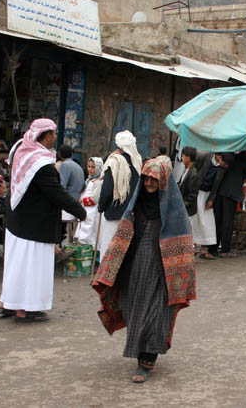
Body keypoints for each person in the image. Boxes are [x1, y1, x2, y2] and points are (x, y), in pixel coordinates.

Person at [92, 157, 195, 383]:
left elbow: (183, 242)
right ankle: (141, 353)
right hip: (135, 268)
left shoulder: (174, 209)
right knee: (136, 309)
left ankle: (146, 360)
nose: (148, 183)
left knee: (156, 313)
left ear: (164, 180)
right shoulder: (137, 203)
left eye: (154, 179)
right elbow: (123, 233)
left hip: (162, 274)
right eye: (146, 178)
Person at [0, 118, 86, 322]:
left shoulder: (20, 150)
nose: (56, 137)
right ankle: (25, 310)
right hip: (34, 226)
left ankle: (7, 303)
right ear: (46, 136)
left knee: (14, 267)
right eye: (54, 134)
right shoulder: (40, 163)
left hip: (17, 220)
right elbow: (56, 192)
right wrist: (80, 212)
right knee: (32, 269)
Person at [97, 130, 142, 256]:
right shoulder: (137, 163)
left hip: (114, 214)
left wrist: (101, 207)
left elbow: (106, 190)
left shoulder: (113, 161)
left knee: (109, 251)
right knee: (126, 252)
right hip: (131, 215)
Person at [209, 145, 246, 258]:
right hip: (231, 194)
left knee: (217, 220)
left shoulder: (233, 157)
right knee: (227, 222)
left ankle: (213, 248)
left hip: (220, 191)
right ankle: (225, 249)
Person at [191, 151, 221, 260]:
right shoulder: (205, 157)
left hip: (207, 195)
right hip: (197, 192)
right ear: (217, 155)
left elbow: (217, 184)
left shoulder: (222, 166)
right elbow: (193, 169)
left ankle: (204, 249)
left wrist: (211, 199)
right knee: (194, 220)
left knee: (208, 222)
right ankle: (191, 247)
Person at [74, 157, 105, 255]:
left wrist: (81, 201)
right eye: (89, 166)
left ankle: (92, 258)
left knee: (91, 236)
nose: (90, 169)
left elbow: (95, 199)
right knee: (84, 235)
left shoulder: (98, 182)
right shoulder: (88, 180)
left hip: (93, 213)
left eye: (93, 167)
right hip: (86, 211)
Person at [178, 146, 199, 218]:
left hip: (188, 211)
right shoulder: (186, 169)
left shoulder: (193, 174)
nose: (181, 158)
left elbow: (192, 195)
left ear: (188, 158)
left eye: (183, 156)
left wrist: (182, 205)